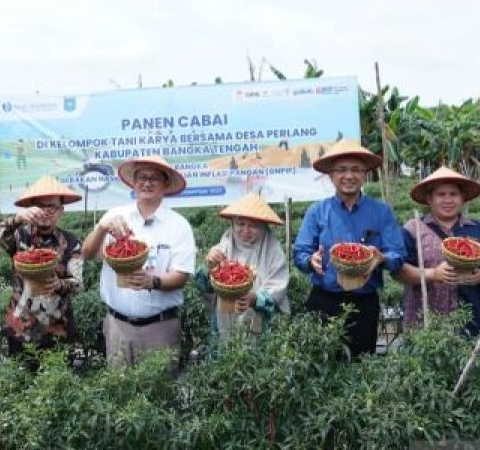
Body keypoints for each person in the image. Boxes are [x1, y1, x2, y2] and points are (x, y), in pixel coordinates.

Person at [293, 139, 405, 357]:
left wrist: (382, 258)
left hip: (364, 303)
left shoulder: (381, 212)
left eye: (356, 169)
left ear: (364, 175)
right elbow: (300, 252)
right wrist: (310, 261)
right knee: (320, 365)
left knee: (361, 367)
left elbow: (398, 254)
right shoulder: (317, 211)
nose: (349, 175)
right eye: (342, 170)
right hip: (324, 300)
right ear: (331, 175)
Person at [82, 155, 195, 369]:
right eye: (142, 177)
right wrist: (101, 228)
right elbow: (87, 253)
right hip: (117, 325)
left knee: (160, 391)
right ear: (134, 183)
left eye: (154, 178)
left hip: (160, 327)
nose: (147, 183)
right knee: (120, 394)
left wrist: (153, 282)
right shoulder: (115, 216)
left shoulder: (179, 225)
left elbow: (181, 276)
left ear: (165, 184)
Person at [396, 166, 480, 336]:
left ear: (463, 198)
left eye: (454, 194)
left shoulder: (478, 230)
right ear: (429, 198)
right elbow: (398, 271)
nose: (448, 200)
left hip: (470, 323)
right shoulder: (413, 229)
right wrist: (433, 274)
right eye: (441, 194)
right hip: (424, 323)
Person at [0, 176, 85, 353]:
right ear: (32, 209)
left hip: (58, 327)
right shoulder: (19, 236)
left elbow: (78, 283)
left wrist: (60, 284)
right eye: (41, 206)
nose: (46, 211)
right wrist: (17, 219)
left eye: (52, 207)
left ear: (61, 211)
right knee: (21, 376)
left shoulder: (71, 242)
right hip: (21, 326)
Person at [194, 193, 290, 345]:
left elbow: (277, 291)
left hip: (263, 330)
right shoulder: (223, 247)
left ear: (263, 226)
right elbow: (201, 285)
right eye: (240, 223)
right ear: (233, 223)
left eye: (253, 225)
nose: (245, 230)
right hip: (224, 323)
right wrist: (208, 265)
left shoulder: (273, 251)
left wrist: (255, 298)